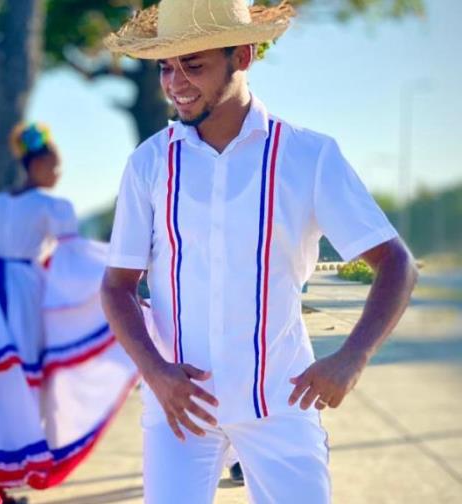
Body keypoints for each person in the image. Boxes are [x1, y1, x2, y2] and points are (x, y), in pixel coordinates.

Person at [101, 1, 417, 503]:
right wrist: (156, 374)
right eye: (166, 66)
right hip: (180, 409)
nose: (176, 82)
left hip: (280, 401)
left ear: (242, 55)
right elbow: (117, 285)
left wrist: (352, 357)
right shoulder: (148, 163)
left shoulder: (308, 156)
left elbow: (395, 262)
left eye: (194, 64)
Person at [0, 123, 141, 496]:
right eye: (53, 166)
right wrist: (114, 276)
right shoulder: (53, 206)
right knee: (24, 375)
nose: (57, 174)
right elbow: (72, 255)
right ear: (35, 165)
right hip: (24, 290)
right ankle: (9, 470)